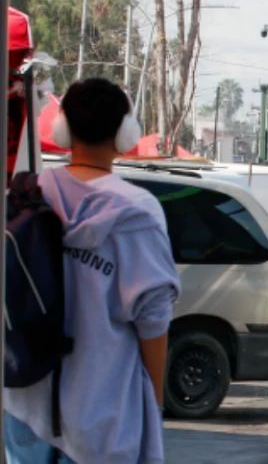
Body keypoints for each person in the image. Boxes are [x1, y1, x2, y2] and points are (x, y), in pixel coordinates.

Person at [3, 78, 180, 464]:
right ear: (124, 134)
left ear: (62, 128)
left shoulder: (26, 196)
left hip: (23, 402)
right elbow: (152, 318)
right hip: (101, 412)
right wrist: (155, 397)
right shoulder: (138, 212)